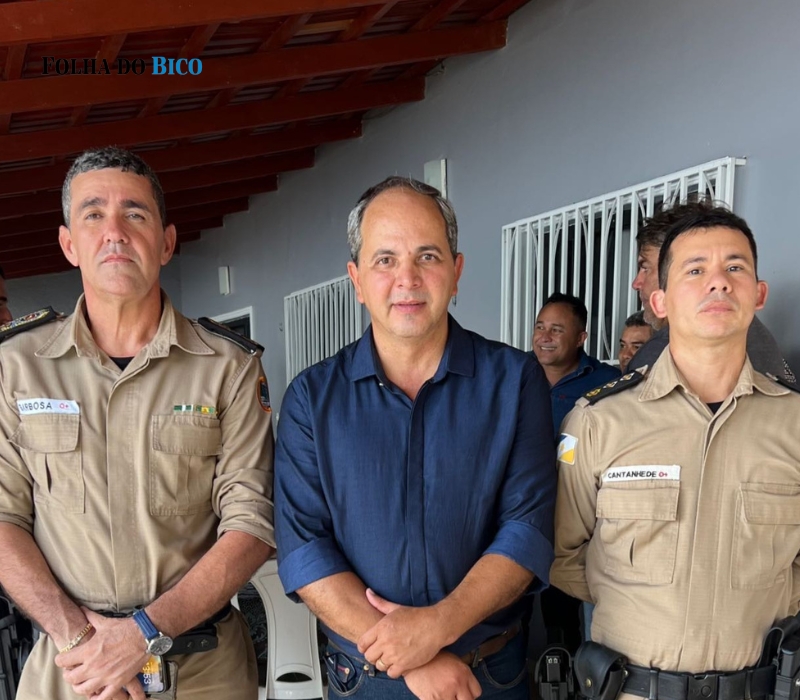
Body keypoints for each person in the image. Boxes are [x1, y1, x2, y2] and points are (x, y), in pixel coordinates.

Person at [0, 147, 275, 700]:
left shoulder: (228, 366)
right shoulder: (16, 367)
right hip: (70, 667)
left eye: (135, 213)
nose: (115, 232)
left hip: (203, 672)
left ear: (167, 242)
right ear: (68, 244)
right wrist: (80, 638)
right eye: (93, 214)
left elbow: (252, 522)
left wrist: (142, 633)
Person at [274, 176, 556, 700]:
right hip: (364, 680)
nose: (407, 278)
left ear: (456, 271)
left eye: (427, 256)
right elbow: (305, 550)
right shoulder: (311, 399)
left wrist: (437, 627)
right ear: (357, 280)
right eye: (385, 260)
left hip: (489, 676)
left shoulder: (515, 382)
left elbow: (527, 530)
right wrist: (409, 658)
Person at [551, 203, 800, 700]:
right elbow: (564, 554)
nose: (719, 282)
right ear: (660, 301)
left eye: (735, 267)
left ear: (758, 293)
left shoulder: (793, 423)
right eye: (695, 270)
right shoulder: (598, 422)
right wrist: (637, 598)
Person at [630, 200, 794, 382]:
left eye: (645, 267)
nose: (636, 283)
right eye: (696, 270)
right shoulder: (755, 336)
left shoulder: (657, 354)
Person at [532, 292, 620, 436]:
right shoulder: (514, 369)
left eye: (556, 330)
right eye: (540, 328)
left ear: (580, 339)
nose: (545, 337)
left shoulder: (607, 381)